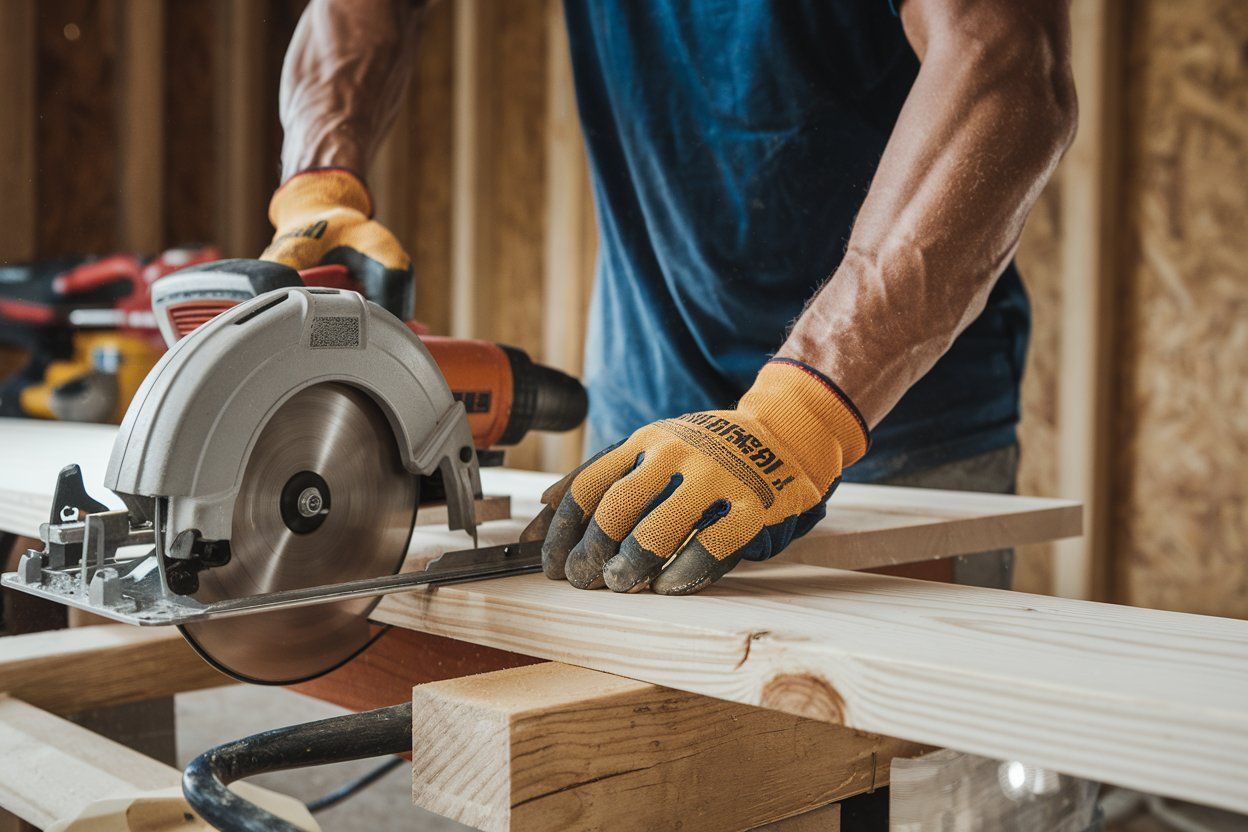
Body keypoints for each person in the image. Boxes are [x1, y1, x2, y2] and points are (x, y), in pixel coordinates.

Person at [263, 0, 1076, 596]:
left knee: (909, 790)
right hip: (647, 403)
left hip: (886, 412)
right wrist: (321, 180)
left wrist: (799, 418)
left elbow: (1006, 66)